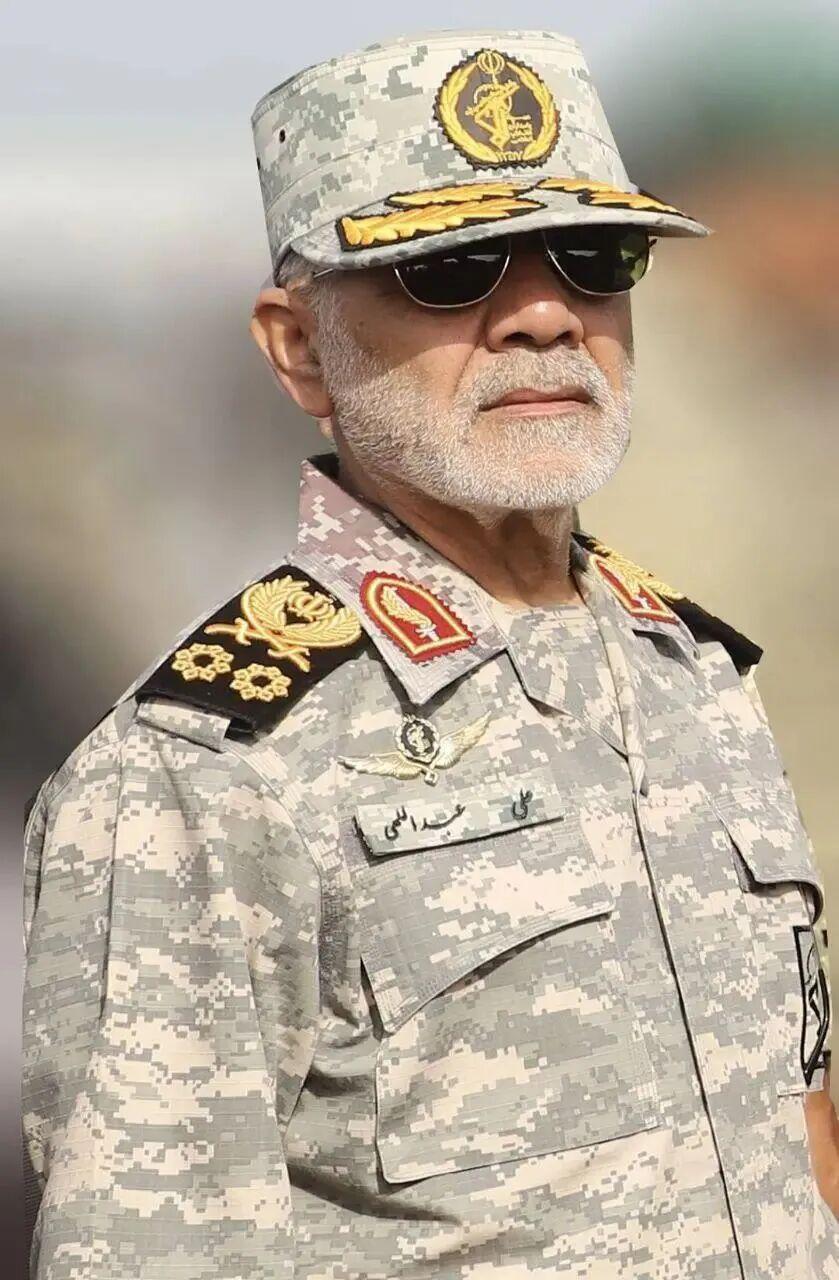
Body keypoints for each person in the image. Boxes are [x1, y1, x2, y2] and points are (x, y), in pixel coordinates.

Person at [22, 28, 839, 1280]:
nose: (544, 316)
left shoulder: (691, 673)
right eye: (450, 271)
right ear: (300, 347)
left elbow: (792, 1127)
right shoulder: (203, 767)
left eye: (593, 258)